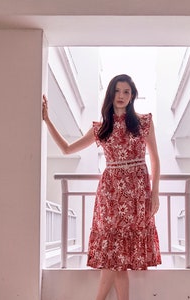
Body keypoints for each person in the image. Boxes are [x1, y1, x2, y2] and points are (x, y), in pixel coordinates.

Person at [42, 74, 161, 300]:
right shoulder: (102, 128)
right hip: (111, 195)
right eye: (117, 91)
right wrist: (47, 120)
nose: (121, 96)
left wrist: (155, 193)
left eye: (126, 92)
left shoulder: (144, 122)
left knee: (116, 258)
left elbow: (155, 159)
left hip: (136, 194)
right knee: (114, 257)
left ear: (133, 95)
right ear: (110, 93)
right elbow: (67, 149)